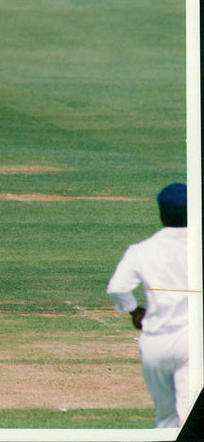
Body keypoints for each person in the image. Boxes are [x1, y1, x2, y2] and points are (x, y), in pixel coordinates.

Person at [107, 182, 190, 428]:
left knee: (166, 419)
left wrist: (134, 311)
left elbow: (117, 288)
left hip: (155, 343)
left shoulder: (142, 250)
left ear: (161, 214)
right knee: (190, 417)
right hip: (193, 341)